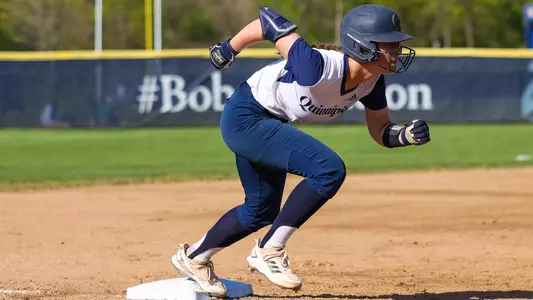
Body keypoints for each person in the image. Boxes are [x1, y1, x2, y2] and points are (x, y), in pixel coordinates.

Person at [171, 4, 431, 297]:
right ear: (363, 46)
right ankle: (269, 250)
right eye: (390, 43)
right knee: (329, 169)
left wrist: (405, 135)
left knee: (259, 212)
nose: (397, 50)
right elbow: (269, 21)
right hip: (246, 118)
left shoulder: (372, 82)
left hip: (268, 122)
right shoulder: (317, 66)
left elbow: (380, 130)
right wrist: (228, 49)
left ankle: (193, 258)